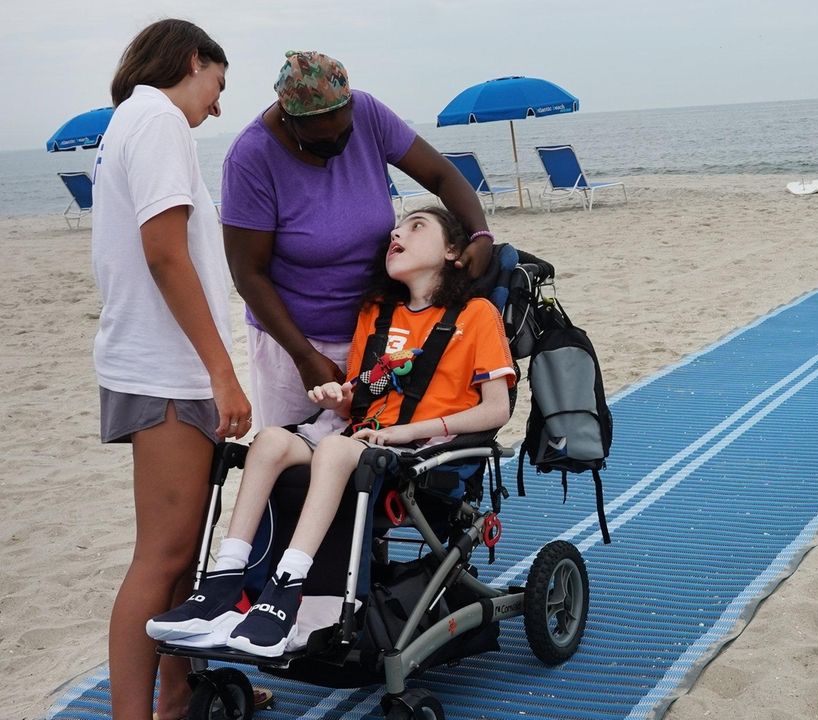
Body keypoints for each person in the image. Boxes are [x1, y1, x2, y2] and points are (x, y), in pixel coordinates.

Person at [146, 207, 516, 657]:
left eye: (417, 226)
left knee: (336, 450)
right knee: (270, 441)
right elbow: (362, 395)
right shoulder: (376, 313)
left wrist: (407, 432)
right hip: (361, 439)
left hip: (424, 453)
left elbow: (497, 410)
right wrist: (338, 398)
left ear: (453, 251)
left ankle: (287, 586)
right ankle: (224, 580)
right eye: (397, 227)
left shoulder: (476, 315)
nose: (397, 232)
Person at [91, 19, 253, 720]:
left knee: (182, 553)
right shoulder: (157, 120)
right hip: (165, 371)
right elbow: (164, 252)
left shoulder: (131, 122)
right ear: (193, 60)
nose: (219, 103)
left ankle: (178, 698)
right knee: (161, 557)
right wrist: (222, 372)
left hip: (154, 363)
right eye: (219, 81)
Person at [220, 51, 495, 432]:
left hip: (381, 331)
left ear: (351, 105)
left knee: (370, 452)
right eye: (320, 140)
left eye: (343, 133)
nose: (336, 144)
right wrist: (304, 356)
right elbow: (247, 273)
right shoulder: (250, 159)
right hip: (293, 343)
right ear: (288, 119)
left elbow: (441, 176)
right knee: (290, 454)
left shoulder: (368, 113)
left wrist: (480, 234)